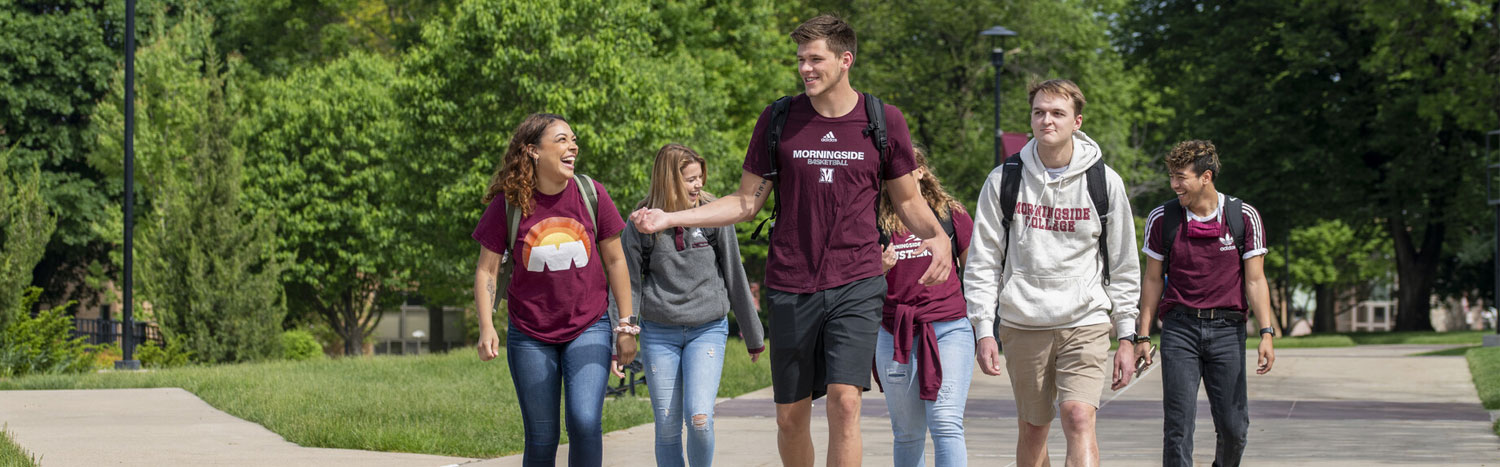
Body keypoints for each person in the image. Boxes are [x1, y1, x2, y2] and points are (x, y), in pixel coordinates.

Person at [631, 15, 953, 467]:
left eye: (815, 59)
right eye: (800, 59)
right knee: (790, 418)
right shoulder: (779, 118)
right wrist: (671, 217)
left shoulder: (883, 120)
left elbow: (908, 201)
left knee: (845, 403)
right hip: (791, 281)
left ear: (846, 60)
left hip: (857, 279)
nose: (805, 68)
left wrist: (938, 237)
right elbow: (746, 203)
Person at [963, 79, 1141, 467]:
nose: (1047, 120)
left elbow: (1124, 264)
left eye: (1057, 113)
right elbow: (982, 261)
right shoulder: (1004, 180)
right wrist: (983, 329)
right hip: (1024, 321)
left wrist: (1126, 334)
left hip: (1086, 318)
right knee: (1033, 427)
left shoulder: (1104, 182)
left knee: (1079, 416)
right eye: (1039, 112)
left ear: (1077, 121)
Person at [471, 113, 637, 467]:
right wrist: (486, 326)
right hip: (530, 333)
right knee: (542, 436)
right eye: (561, 140)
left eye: (573, 140)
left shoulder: (591, 193)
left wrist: (626, 325)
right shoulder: (509, 203)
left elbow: (617, 261)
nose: (573, 146)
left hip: (588, 325)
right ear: (532, 151)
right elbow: (487, 269)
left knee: (585, 421)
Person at [610, 143, 766, 467]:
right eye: (690, 179)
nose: (699, 186)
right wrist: (623, 334)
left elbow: (734, 273)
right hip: (659, 332)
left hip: (707, 329)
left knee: (699, 417)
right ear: (669, 181)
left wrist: (753, 335)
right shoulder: (641, 222)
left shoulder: (713, 215)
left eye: (700, 178)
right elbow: (629, 284)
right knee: (667, 428)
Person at [1135, 139, 1276, 467]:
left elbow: (1255, 280)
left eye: (1181, 177)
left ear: (1206, 177)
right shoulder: (1163, 218)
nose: (1174, 185)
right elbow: (1153, 280)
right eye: (1171, 176)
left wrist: (1266, 332)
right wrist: (1143, 335)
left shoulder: (1243, 217)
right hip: (1179, 329)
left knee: (1233, 427)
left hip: (1228, 330)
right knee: (1178, 427)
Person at [874, 146, 974, 467]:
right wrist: (878, 269)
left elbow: (975, 275)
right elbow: (853, 281)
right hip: (894, 333)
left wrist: (984, 327)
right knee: (906, 432)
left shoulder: (951, 214)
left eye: (907, 169)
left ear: (921, 172)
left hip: (948, 329)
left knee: (945, 421)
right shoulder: (874, 220)